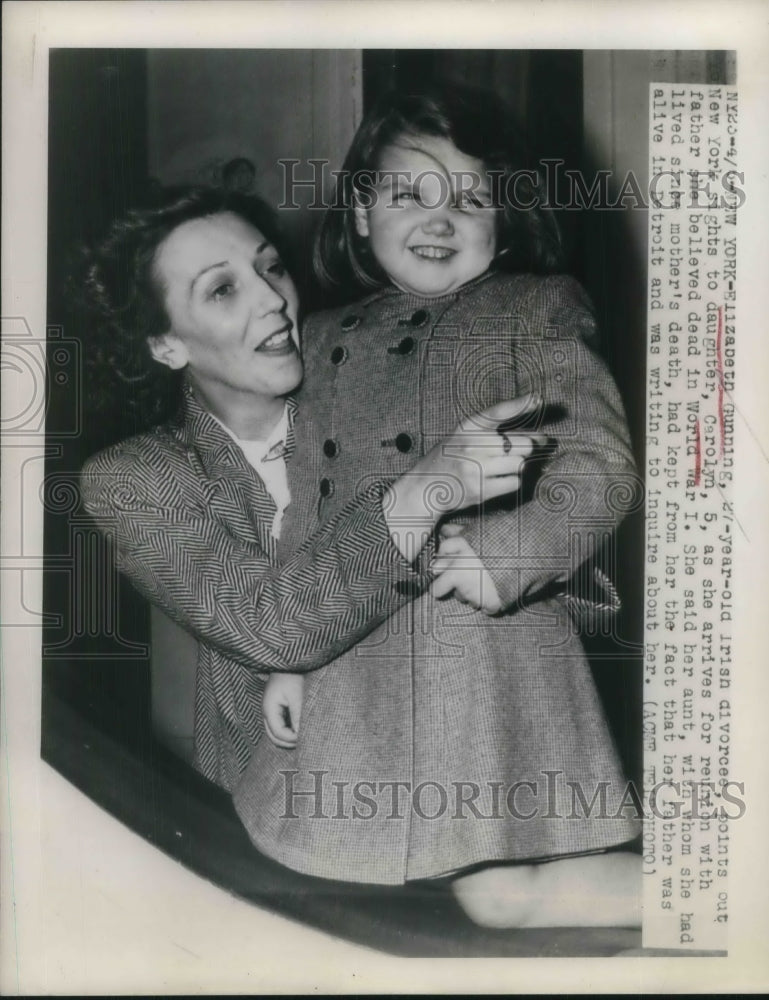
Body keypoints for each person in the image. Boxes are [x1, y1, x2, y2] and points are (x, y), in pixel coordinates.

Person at [236, 83, 642, 928]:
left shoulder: (532, 310)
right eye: (406, 192)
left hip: (483, 641)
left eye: (470, 198)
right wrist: (291, 656)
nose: (439, 216)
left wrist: (518, 550)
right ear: (357, 214)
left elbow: (598, 464)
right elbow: (302, 509)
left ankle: (720, 895)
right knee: (457, 893)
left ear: (503, 225)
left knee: (500, 891)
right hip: (357, 646)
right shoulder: (318, 339)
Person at [76, 187, 542, 800]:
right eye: (222, 289)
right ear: (166, 345)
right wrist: (426, 490)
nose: (273, 297)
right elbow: (274, 627)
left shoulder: (374, 368)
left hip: (466, 752)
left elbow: (551, 535)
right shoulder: (133, 480)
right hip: (278, 794)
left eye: (271, 268)